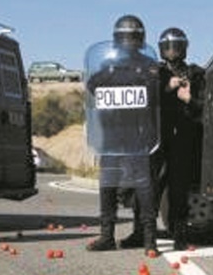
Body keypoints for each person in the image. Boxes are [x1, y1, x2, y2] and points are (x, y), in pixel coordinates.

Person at [85, 15, 159, 254]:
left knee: (112, 186)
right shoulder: (148, 68)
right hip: (132, 135)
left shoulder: (111, 68)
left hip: (123, 134)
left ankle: (109, 236)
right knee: (138, 186)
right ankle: (149, 241)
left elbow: (92, 86)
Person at [154, 27, 205, 251]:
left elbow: (204, 106)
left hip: (185, 137)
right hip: (157, 136)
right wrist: (167, 87)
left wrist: (189, 98)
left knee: (179, 188)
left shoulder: (196, 73)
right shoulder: (154, 73)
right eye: (169, 47)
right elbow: (145, 101)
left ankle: (180, 233)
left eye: (177, 46)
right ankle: (141, 231)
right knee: (149, 185)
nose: (173, 51)